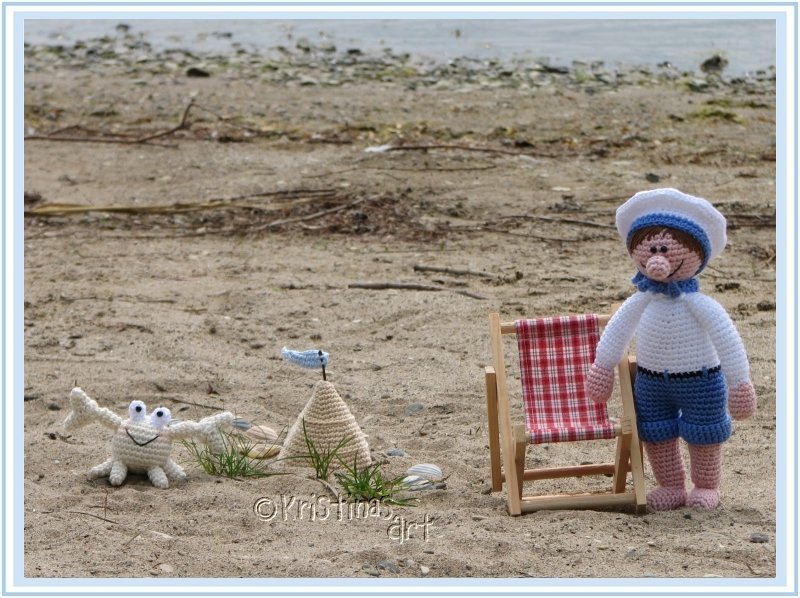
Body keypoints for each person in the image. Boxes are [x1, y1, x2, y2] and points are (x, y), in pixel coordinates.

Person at [586, 188, 756, 510]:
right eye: (649, 248)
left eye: (666, 249)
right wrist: (603, 366)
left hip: (702, 381)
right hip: (651, 382)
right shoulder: (641, 300)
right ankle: (671, 485)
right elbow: (617, 332)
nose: (657, 258)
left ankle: (705, 486)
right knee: (656, 432)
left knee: (705, 433)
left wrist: (739, 382)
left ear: (697, 254)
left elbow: (727, 340)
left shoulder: (700, 304)